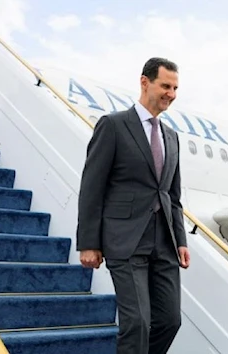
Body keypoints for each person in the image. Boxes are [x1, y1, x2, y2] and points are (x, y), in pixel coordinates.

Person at [76, 57, 190, 354]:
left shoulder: (172, 137)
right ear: (145, 82)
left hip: (164, 242)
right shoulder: (113, 126)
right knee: (137, 323)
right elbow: (92, 187)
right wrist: (89, 242)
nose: (171, 94)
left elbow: (172, 195)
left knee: (169, 320)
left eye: (176, 88)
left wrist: (181, 240)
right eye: (165, 85)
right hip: (125, 240)